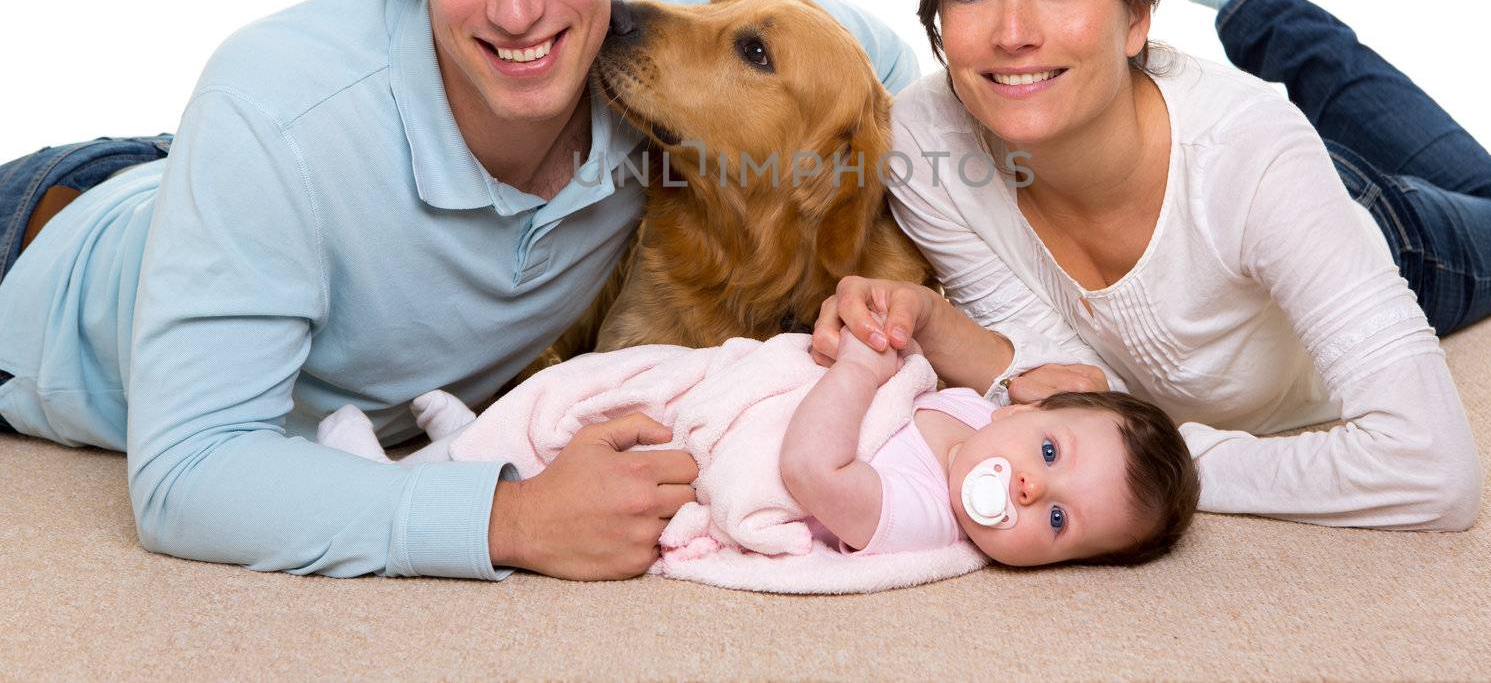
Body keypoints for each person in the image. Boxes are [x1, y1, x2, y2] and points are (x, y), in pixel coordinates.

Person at [0, 0, 917, 581]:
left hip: (202, 170)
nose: (520, 10)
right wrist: (508, 518)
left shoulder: (647, 31)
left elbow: (877, 68)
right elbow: (187, 474)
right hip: (46, 244)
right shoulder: (268, 109)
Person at [812, 0, 1491, 529]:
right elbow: (1054, 377)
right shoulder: (920, 141)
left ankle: (1258, 1)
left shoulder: (1254, 158)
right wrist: (941, 328)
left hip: (1377, 229)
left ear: (1136, 14)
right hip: (1229, 164)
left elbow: (1433, 469)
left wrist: (1160, 459)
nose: (1013, 33)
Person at [316, 327, 1199, 566]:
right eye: (1049, 453)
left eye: (1056, 522)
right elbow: (971, 377)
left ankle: (390, 474)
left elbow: (810, 470)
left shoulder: (925, 518)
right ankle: (471, 435)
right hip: (733, 380)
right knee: (595, 383)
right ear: (1028, 410)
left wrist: (857, 373)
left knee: (588, 444)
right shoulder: (976, 410)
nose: (1024, 491)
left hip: (737, 440)